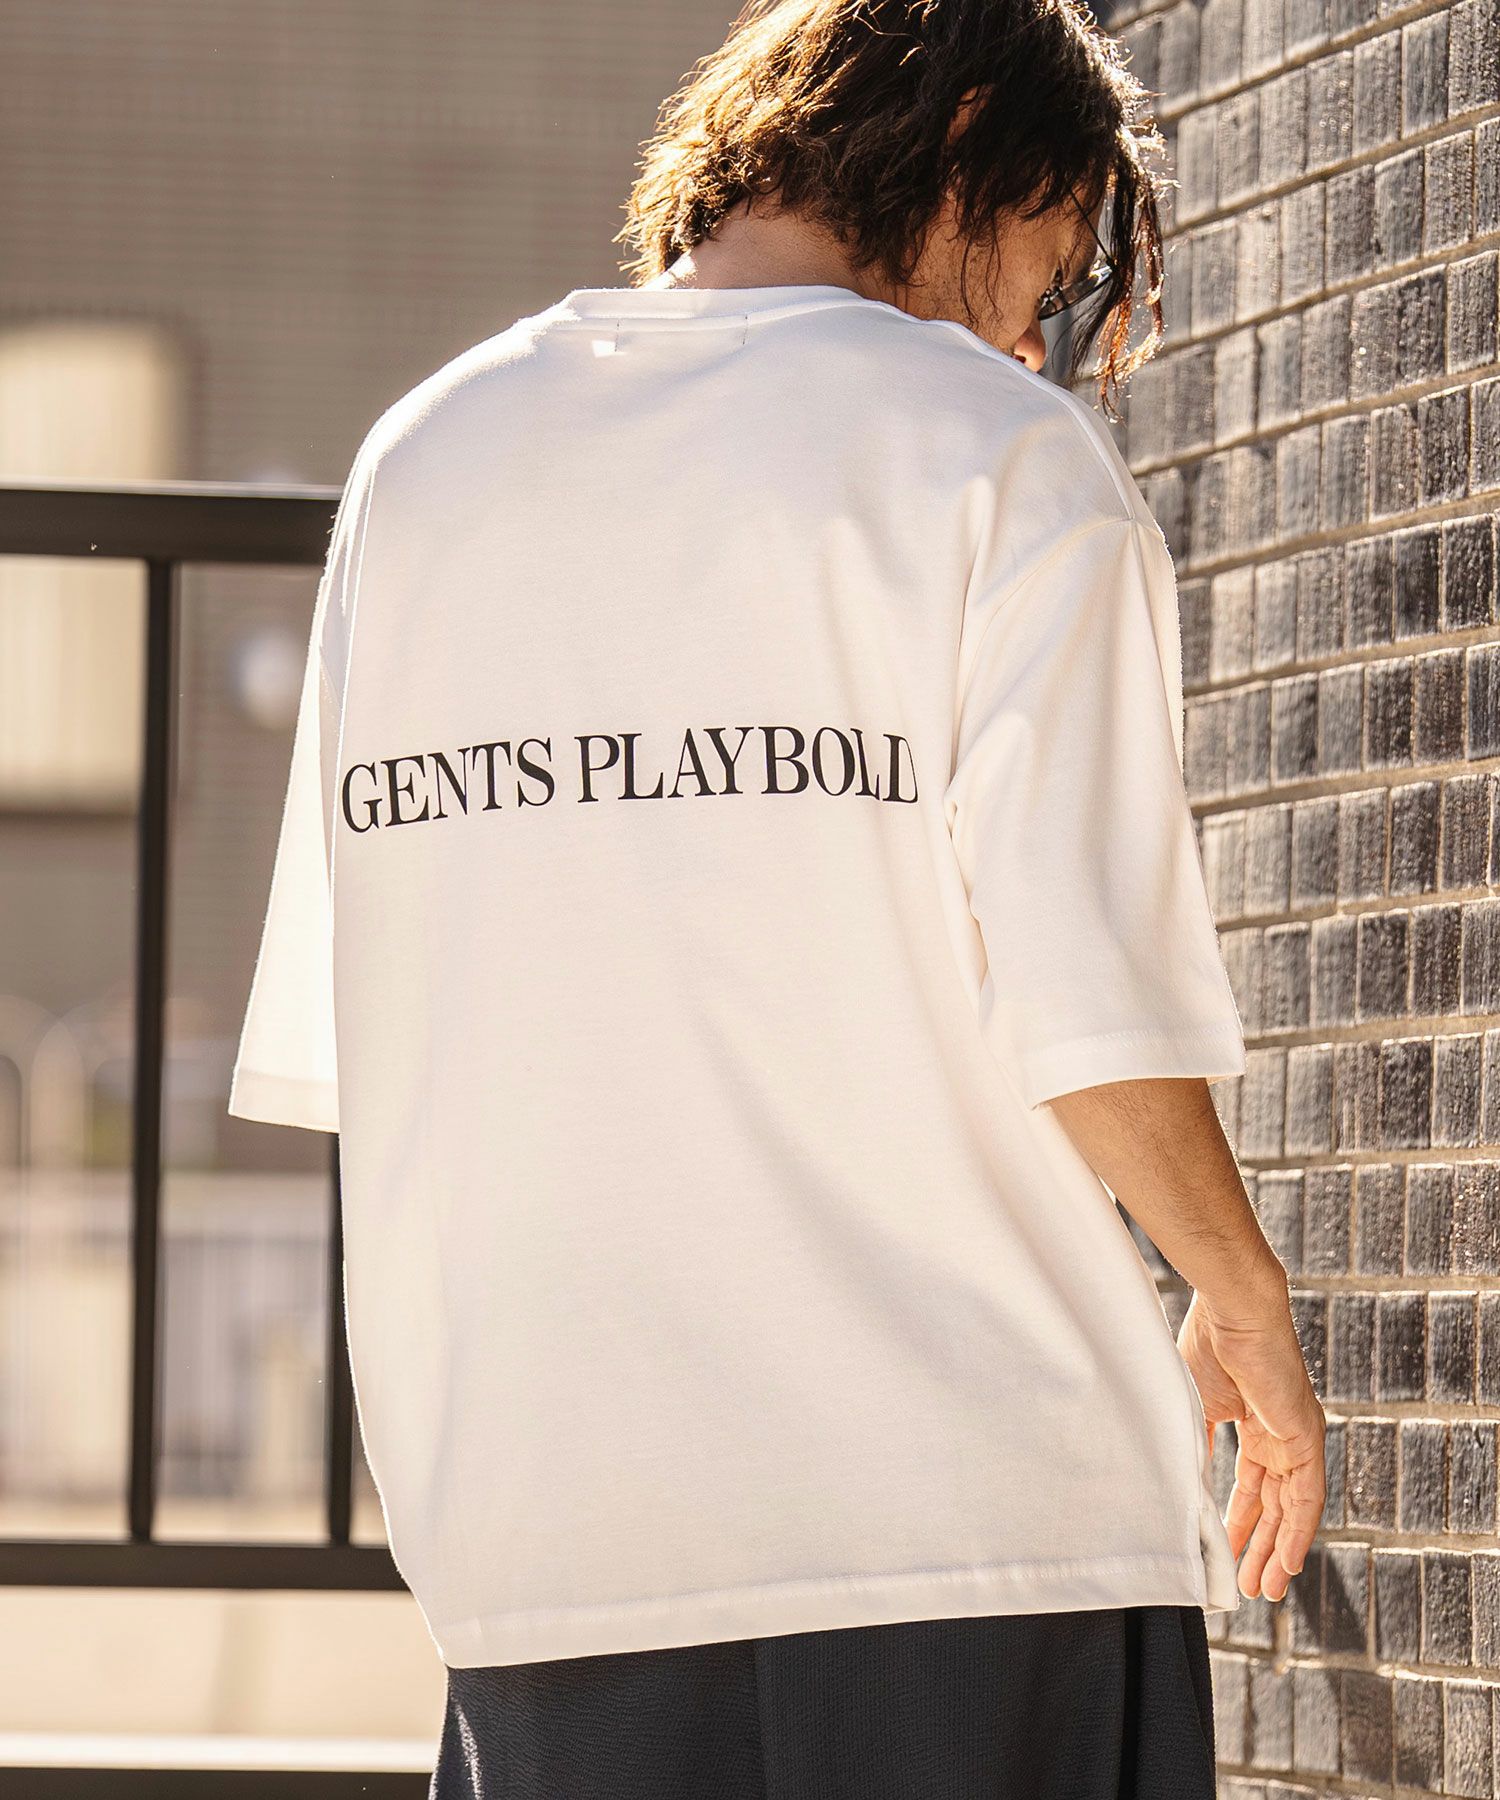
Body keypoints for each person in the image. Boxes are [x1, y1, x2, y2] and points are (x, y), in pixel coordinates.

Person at [228, 0, 1327, 1793]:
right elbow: (1088, 1004)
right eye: (1048, 271)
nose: (1029, 336)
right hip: (968, 1529)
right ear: (968, 139)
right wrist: (1245, 1300)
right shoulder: (994, 455)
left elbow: (371, 1039)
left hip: (544, 1541)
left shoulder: (423, 463)